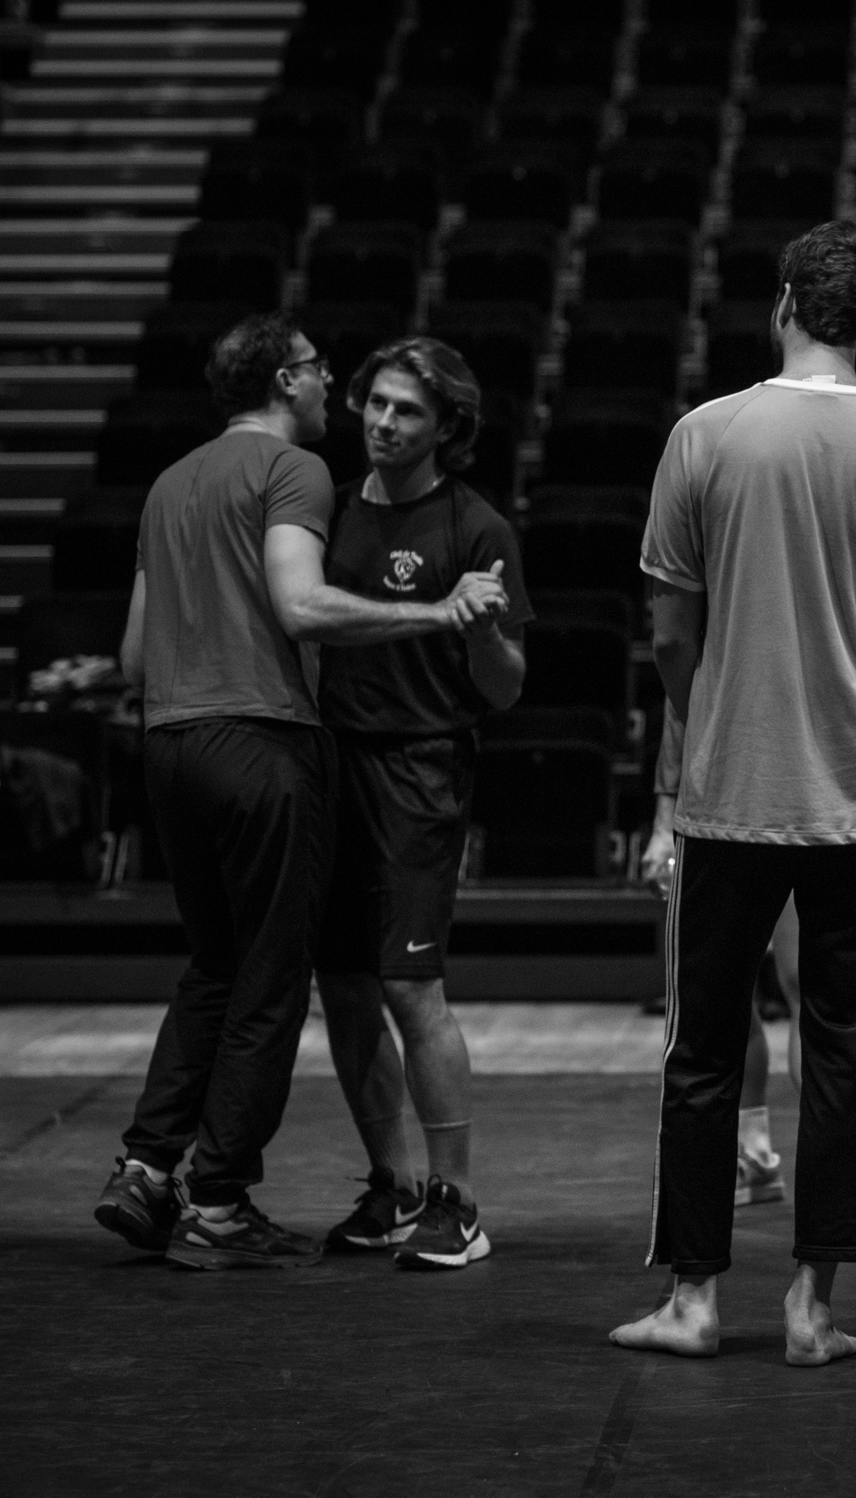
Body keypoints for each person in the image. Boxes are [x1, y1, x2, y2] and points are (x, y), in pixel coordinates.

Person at [609, 222, 856, 1365]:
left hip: (734, 781)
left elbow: (671, 628)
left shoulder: (705, 434)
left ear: (782, 303)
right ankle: (811, 1308)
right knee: (847, 1045)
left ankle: (694, 1300)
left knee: (705, 1048)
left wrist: (716, 704)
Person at [93, 314, 508, 1269]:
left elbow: (128, 654)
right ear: (286, 381)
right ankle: (221, 1201)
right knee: (274, 984)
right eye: (324, 372)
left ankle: (147, 1166)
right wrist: (436, 610)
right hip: (261, 746)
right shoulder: (296, 472)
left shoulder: (168, 483)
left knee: (215, 967)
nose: (341, 394)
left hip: (169, 746)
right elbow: (299, 606)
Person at [310, 337, 531, 1271]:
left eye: (407, 411)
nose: (383, 422)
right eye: (376, 404)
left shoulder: (475, 528)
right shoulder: (319, 511)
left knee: (408, 984)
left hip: (420, 771)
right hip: (328, 767)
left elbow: (508, 686)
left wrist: (477, 630)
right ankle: (391, 1186)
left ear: (448, 427)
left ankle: (458, 1200)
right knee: (346, 987)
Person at [641, 716, 800, 1209]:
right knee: (729, 989)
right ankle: (753, 1156)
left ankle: (840, 1171)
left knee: (805, 986)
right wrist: (662, 822)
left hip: (812, 801)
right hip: (722, 802)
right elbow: (677, 702)